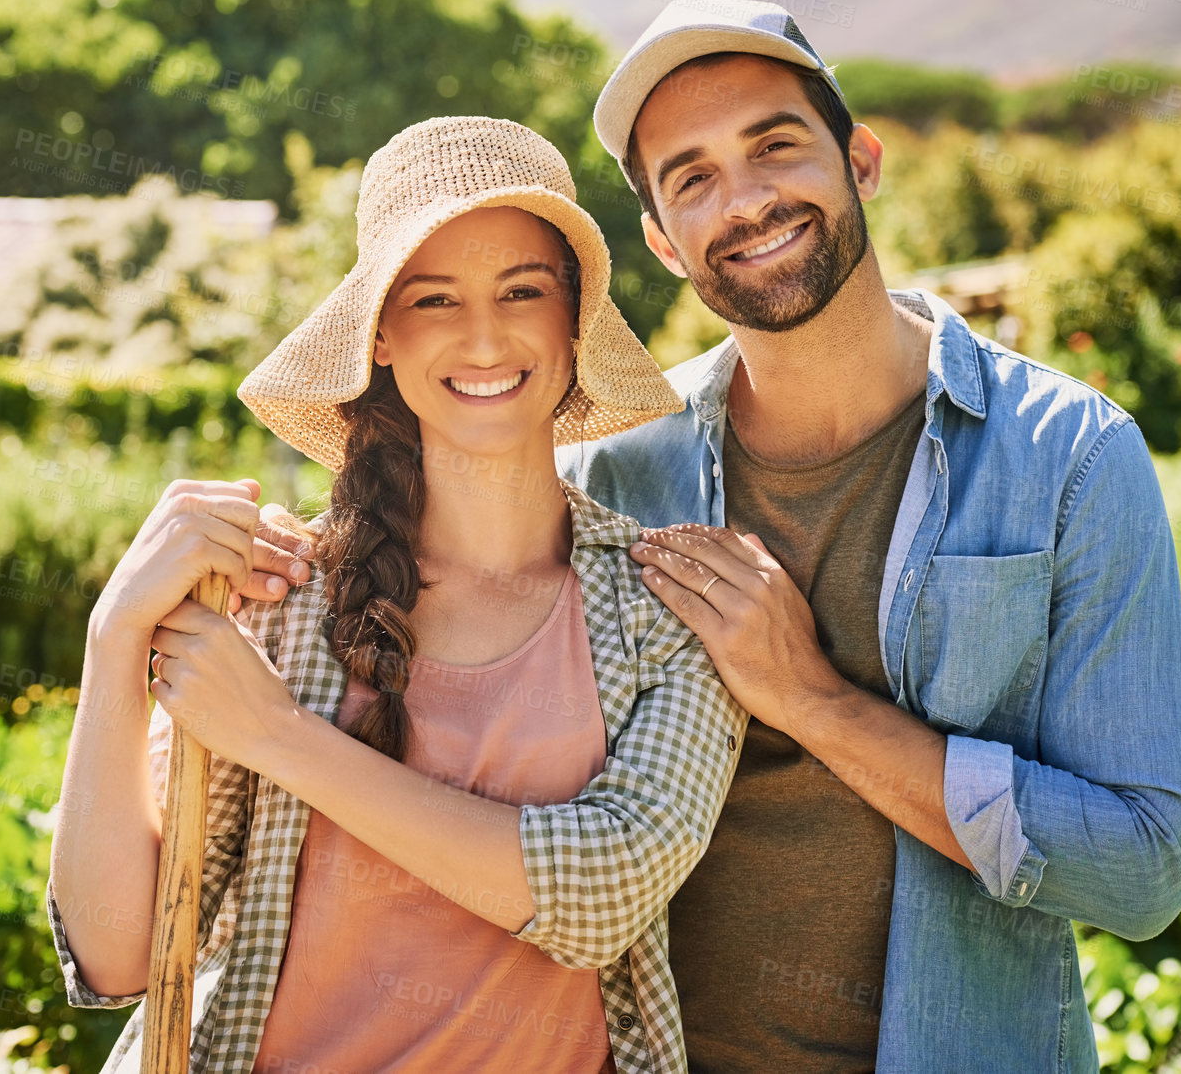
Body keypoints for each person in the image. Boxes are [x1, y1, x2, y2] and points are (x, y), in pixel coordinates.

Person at [238, 0, 1181, 1072]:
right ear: (661, 239)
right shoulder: (621, 469)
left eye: (774, 146)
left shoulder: (1068, 460)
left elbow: (1144, 870)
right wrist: (258, 567)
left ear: (862, 160)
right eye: (691, 178)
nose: (743, 200)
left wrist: (812, 702)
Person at [46, 115, 749, 1074]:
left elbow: (602, 896)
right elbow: (118, 952)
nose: (485, 335)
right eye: (434, 299)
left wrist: (282, 739)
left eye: (521, 291)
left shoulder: (664, 608)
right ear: (381, 333)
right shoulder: (281, 596)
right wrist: (113, 635)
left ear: (571, 322)